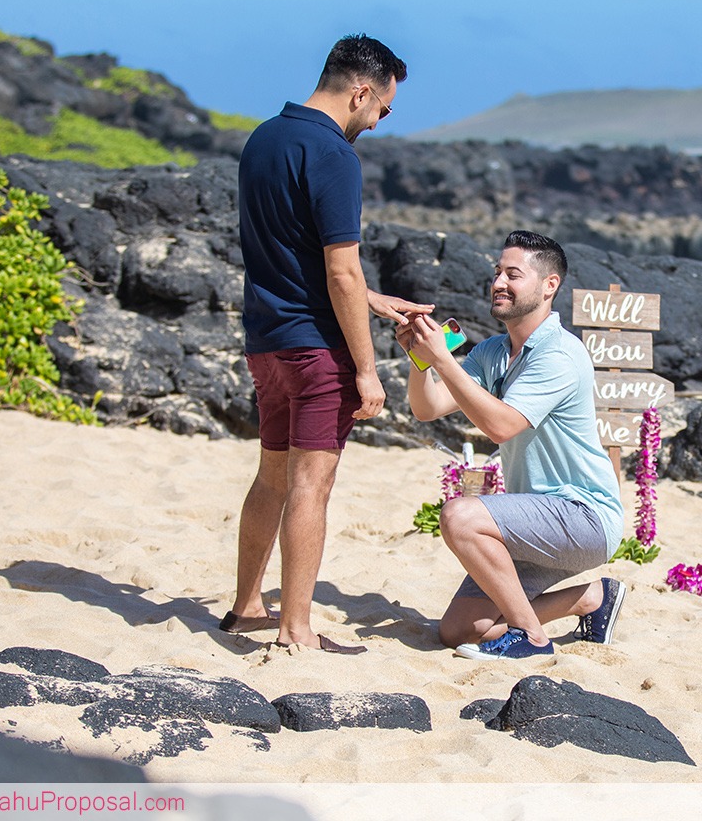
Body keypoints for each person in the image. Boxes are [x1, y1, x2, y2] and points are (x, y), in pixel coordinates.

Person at [221, 34, 433, 654]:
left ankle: (246, 607)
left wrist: (371, 298)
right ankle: (297, 630)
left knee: (272, 478)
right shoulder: (335, 155)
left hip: (267, 341)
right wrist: (367, 371)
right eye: (384, 108)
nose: (382, 120)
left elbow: (293, 254)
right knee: (311, 486)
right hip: (317, 351)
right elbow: (339, 269)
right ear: (362, 90)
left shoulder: (264, 139)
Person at [398, 230, 628, 660]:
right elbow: (428, 408)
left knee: (460, 515)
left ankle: (531, 638)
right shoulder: (492, 352)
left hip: (584, 515)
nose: (499, 282)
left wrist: (445, 360)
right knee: (460, 630)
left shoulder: (559, 353)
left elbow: (501, 426)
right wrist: (421, 360)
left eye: (513, 274)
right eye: (497, 272)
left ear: (549, 286)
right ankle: (592, 598)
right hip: (535, 518)